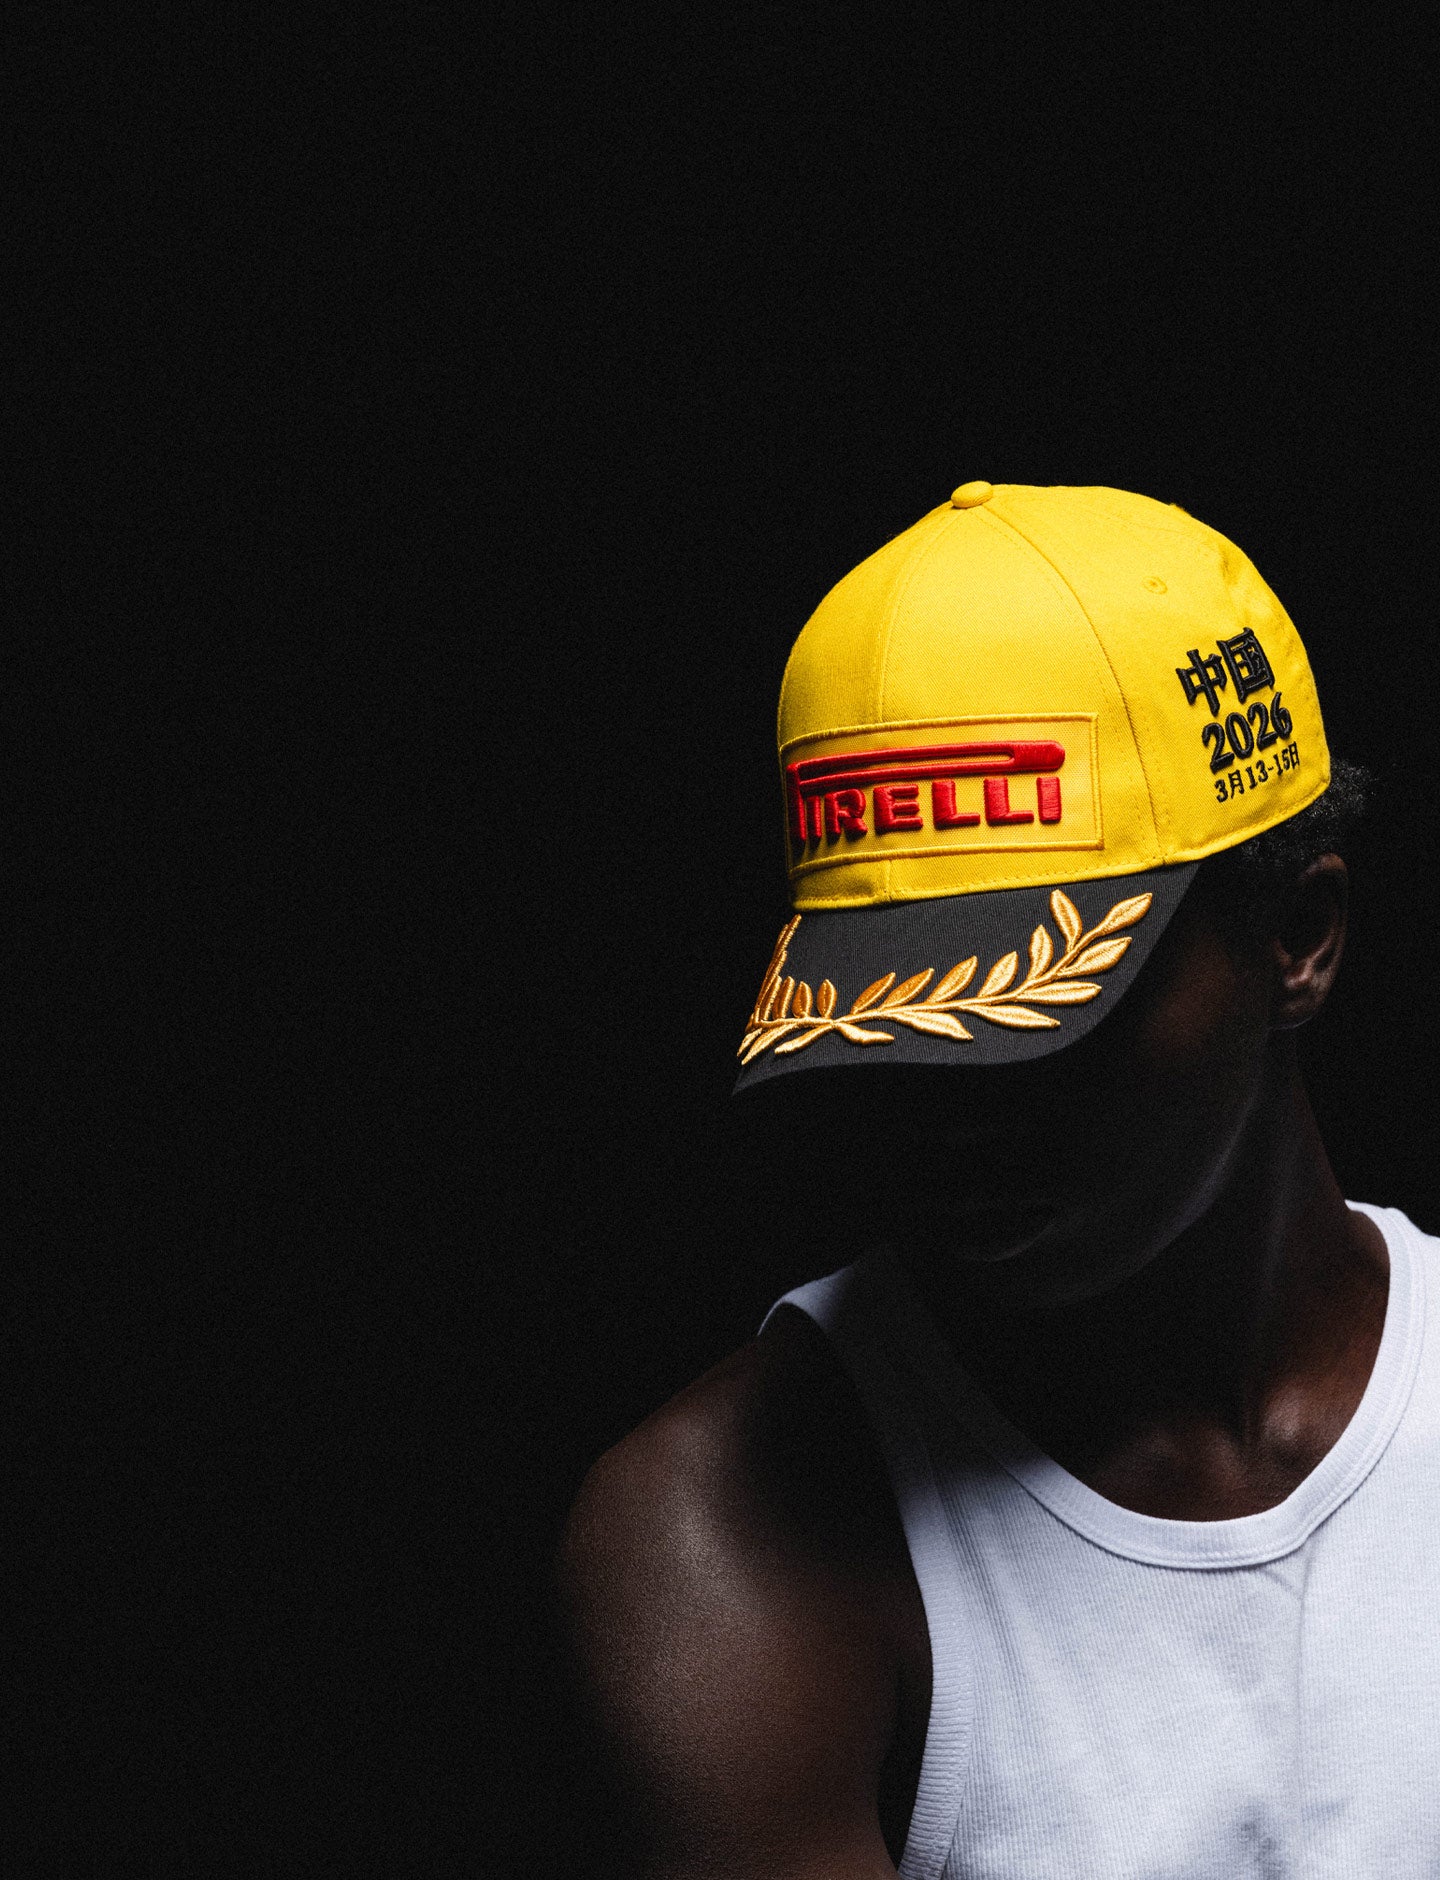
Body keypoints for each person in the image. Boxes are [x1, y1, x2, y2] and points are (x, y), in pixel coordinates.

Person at [558, 481, 1437, 1877]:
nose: (948, 1113)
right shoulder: (731, 1522)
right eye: (894, 1022)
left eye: (1043, 1017)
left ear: (1300, 939)